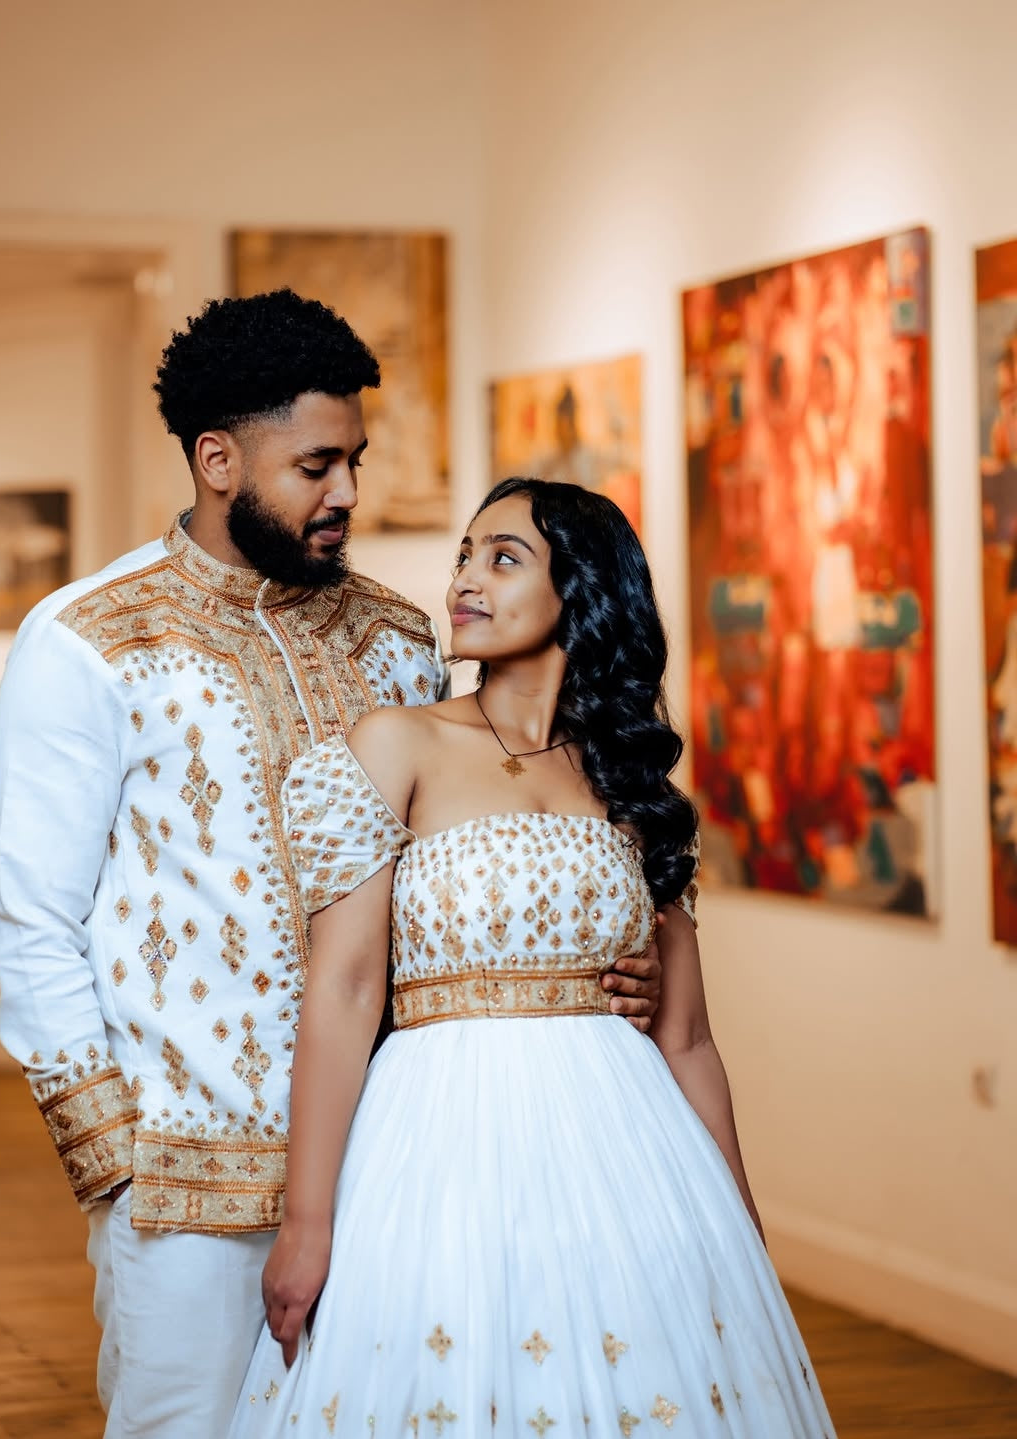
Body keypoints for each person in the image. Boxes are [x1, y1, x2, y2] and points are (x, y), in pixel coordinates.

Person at [0, 296, 663, 1439]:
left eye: (354, 458)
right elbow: (30, 924)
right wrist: (118, 1161)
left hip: (399, 1163)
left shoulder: (401, 636)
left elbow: (493, 832)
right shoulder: (89, 640)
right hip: (186, 1182)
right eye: (315, 464)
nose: (347, 491)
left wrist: (601, 971)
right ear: (216, 459)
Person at [231, 478, 836, 1439]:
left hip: (626, 1156)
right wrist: (307, 1223)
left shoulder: (630, 778)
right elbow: (344, 991)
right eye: (465, 554)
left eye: (503, 558)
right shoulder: (400, 744)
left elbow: (685, 1039)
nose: (466, 579)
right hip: (437, 1151)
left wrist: (740, 1231)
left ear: (583, 592)